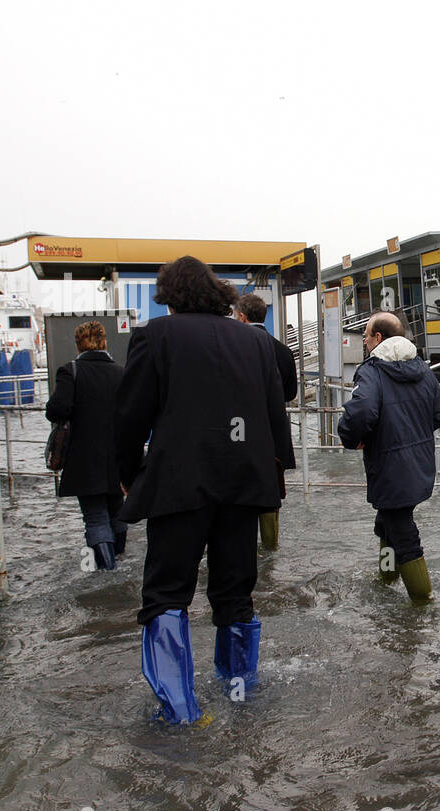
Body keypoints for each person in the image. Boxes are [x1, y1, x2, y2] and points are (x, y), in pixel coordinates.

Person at [116, 256, 293, 725]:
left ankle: (178, 712)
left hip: (178, 484)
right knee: (235, 591)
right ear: (218, 294)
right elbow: (275, 415)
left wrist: (130, 474)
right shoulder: (254, 343)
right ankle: (239, 693)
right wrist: (275, 477)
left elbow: (130, 416)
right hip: (243, 484)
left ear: (169, 297)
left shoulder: (154, 338)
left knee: (167, 592)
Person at [337, 311, 440, 601]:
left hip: (389, 464)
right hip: (419, 462)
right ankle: (386, 580)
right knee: (387, 520)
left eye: (366, 336)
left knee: (402, 530)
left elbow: (361, 412)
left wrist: (353, 438)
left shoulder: (372, 371)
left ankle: (422, 602)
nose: (364, 342)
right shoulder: (421, 368)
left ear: (379, 338)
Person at [45, 321, 126, 569]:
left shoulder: (70, 371)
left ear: (79, 343)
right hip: (118, 455)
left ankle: (107, 571)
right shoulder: (121, 372)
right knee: (117, 511)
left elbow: (58, 409)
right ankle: (120, 560)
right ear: (104, 342)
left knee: (95, 516)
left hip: (84, 456)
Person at [234, 293, 297, 550]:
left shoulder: (235, 346)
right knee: (272, 489)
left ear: (242, 316)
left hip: (241, 429)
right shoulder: (282, 350)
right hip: (274, 430)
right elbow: (291, 393)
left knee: (242, 488)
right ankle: (271, 547)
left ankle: (246, 549)